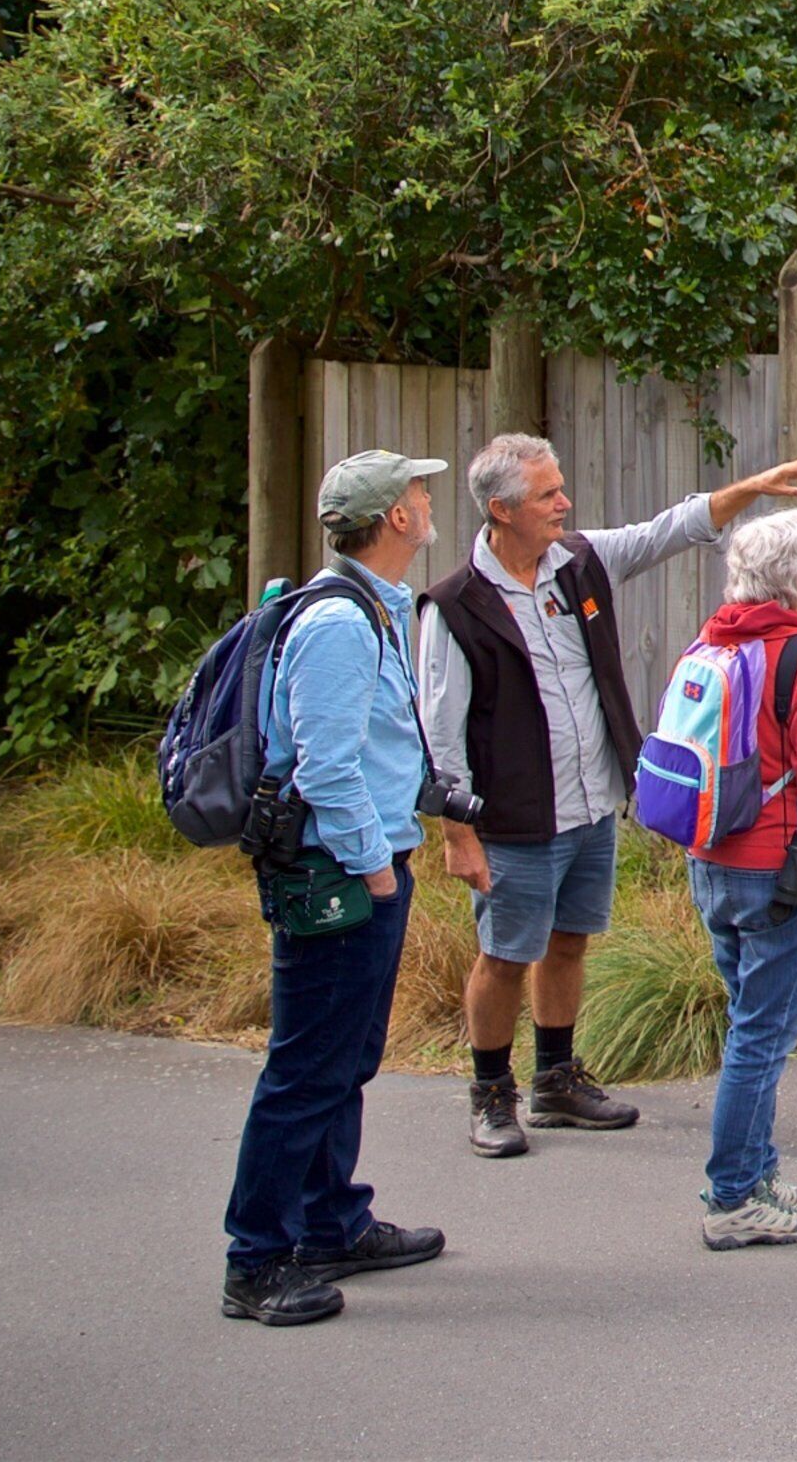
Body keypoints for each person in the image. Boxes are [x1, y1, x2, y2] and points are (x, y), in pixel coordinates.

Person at [418, 434, 797, 1158]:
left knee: (569, 943)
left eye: (561, 488)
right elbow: (439, 729)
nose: (564, 504)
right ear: (503, 509)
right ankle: (490, 1093)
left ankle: (554, 1081)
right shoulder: (455, 605)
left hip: (591, 800)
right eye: (548, 495)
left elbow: (669, 529)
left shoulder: (577, 561)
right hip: (514, 815)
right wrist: (456, 832)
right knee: (505, 953)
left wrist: (753, 486)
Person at [222, 450, 455, 1327]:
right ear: (396, 516)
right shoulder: (339, 625)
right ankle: (257, 1259)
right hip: (336, 877)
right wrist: (374, 873)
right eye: (420, 492)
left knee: (343, 1059)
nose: (429, 501)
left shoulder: (374, 609)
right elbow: (325, 768)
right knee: (306, 1067)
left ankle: (329, 1224)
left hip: (365, 865)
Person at [682, 507, 797, 1249]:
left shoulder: (714, 642)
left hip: (713, 862)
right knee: (761, 1038)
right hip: (783, 871)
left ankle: (756, 1172)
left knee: (746, 1024)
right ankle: (734, 1197)